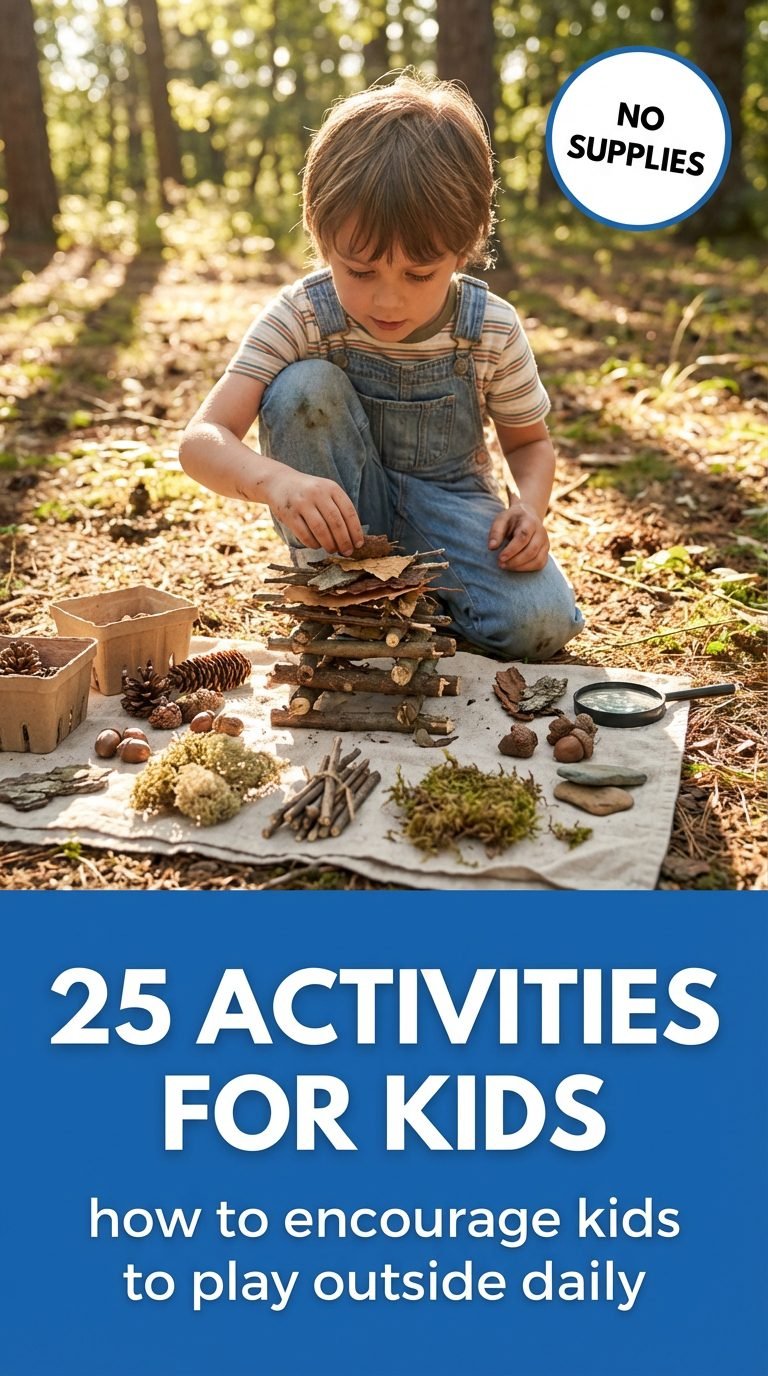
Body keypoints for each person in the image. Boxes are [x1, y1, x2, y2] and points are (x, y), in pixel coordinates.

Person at [179, 71, 584, 660]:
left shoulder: (489, 327)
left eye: (420, 275)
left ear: (466, 245)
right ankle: (344, 600)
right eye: (360, 271)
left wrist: (529, 507)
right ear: (321, 240)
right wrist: (281, 484)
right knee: (302, 387)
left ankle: (418, 596)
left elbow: (530, 444)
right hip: (337, 528)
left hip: (451, 507)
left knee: (539, 624)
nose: (388, 301)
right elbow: (201, 440)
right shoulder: (303, 315)